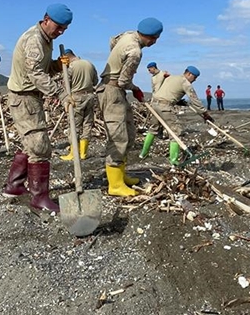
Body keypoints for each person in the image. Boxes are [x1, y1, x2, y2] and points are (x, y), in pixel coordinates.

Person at [2, 4, 73, 212]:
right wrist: (61, 93)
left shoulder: (46, 39)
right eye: (58, 27)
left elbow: (43, 68)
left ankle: (14, 186)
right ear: (46, 19)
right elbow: (36, 75)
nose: (60, 32)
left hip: (31, 96)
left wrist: (57, 65)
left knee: (30, 144)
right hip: (23, 97)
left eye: (64, 29)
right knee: (39, 146)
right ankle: (39, 197)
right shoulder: (34, 40)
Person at [98, 17, 163, 196]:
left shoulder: (127, 35)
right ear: (152, 37)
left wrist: (116, 61)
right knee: (118, 137)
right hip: (112, 91)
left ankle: (121, 174)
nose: (155, 42)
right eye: (155, 39)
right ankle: (115, 185)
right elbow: (123, 80)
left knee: (129, 133)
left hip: (115, 90)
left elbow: (112, 41)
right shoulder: (135, 51)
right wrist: (135, 88)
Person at [141, 66, 213, 164]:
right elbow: (195, 100)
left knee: (153, 129)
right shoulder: (185, 83)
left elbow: (167, 92)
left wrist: (178, 101)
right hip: (165, 107)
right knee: (175, 133)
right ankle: (173, 161)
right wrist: (205, 113)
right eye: (194, 77)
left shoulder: (171, 78)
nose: (195, 80)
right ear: (189, 74)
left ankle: (143, 154)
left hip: (154, 105)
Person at [59, 48, 99, 161]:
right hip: (90, 96)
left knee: (74, 125)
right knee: (87, 124)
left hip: (76, 97)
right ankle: (83, 153)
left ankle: (73, 153)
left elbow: (66, 84)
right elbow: (95, 81)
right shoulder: (89, 64)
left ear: (67, 57)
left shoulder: (70, 67)